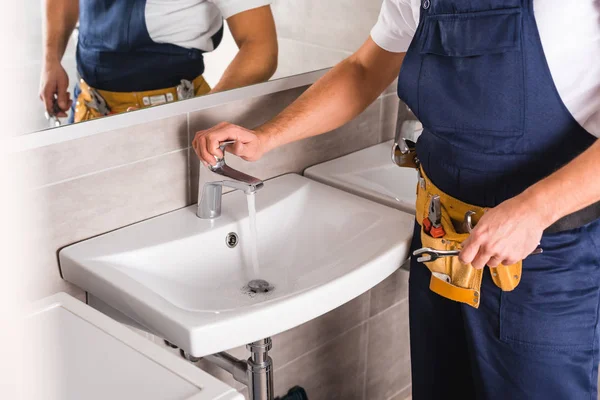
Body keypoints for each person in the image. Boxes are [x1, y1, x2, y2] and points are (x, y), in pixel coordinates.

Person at [193, 0, 600, 398]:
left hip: (547, 258)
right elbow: (364, 69)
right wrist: (267, 136)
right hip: (440, 242)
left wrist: (535, 209)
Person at [39, 0, 278, 123]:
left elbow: (260, 47)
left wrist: (200, 115)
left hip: (173, 115)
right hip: (87, 108)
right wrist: (51, 59)